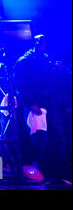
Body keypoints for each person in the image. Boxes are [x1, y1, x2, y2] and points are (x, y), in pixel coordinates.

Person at [14, 35, 72, 185]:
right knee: (40, 139)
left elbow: (58, 83)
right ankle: (45, 172)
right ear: (35, 43)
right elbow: (21, 84)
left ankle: (58, 173)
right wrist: (31, 103)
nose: (44, 45)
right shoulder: (25, 62)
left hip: (52, 104)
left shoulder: (47, 60)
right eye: (41, 42)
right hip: (37, 105)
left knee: (59, 138)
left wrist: (61, 70)